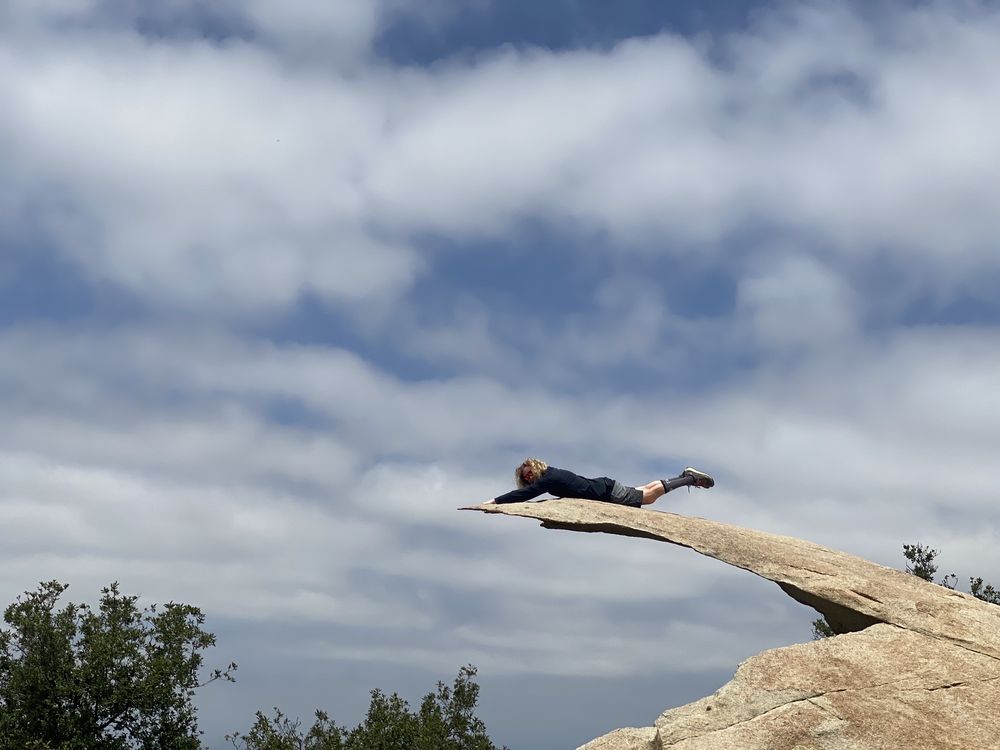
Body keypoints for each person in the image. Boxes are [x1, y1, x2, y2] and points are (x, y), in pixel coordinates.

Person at [486, 458, 714, 507]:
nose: (528, 478)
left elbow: (525, 495)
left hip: (605, 492)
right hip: (604, 486)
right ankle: (685, 476)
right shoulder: (552, 474)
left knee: (648, 497)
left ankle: (689, 478)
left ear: (536, 467)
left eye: (529, 473)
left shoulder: (548, 478)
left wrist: (496, 501)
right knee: (645, 490)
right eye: (525, 477)